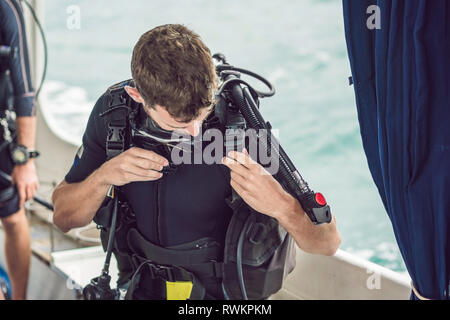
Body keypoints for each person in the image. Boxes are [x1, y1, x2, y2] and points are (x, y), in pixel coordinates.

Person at [52, 24, 341, 300]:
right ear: (137, 95)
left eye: (202, 114)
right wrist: (104, 176)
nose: (195, 132)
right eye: (179, 122)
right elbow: (64, 218)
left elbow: (327, 242)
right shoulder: (114, 117)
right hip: (140, 287)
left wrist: (281, 205)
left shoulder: (238, 128)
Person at [0, 0, 39, 300]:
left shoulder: (7, 7)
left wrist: (25, 160)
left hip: (2, 132)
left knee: (13, 218)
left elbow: (25, 90)